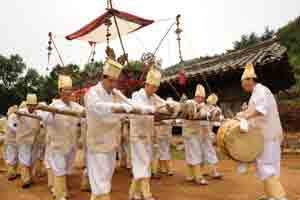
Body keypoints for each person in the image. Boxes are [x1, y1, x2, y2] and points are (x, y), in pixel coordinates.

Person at [236, 63, 287, 200]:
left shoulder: (260, 90)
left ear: (250, 80)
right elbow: (255, 110)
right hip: (266, 135)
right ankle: (271, 195)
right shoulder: (257, 92)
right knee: (268, 165)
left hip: (268, 136)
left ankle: (280, 197)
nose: (242, 86)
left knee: (266, 165)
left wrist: (245, 115)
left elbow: (261, 110)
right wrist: (245, 111)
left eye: (243, 82)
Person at [85, 59, 132, 200]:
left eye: (115, 81)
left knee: (105, 178)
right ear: (103, 78)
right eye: (111, 81)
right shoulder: (92, 93)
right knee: (100, 182)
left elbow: (131, 106)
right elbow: (98, 108)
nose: (113, 85)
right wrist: (120, 109)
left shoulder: (115, 94)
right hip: (97, 144)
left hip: (111, 144)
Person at [42, 75, 84, 200]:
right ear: (60, 91)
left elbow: (85, 114)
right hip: (58, 145)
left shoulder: (75, 106)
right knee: (59, 169)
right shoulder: (54, 105)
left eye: (70, 89)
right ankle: (60, 196)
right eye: (65, 89)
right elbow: (45, 120)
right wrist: (53, 113)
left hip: (71, 145)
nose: (68, 92)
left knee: (65, 170)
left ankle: (60, 191)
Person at [129, 67, 165, 200]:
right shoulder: (136, 95)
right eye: (152, 87)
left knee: (143, 164)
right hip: (137, 136)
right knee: (143, 163)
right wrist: (155, 109)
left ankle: (133, 193)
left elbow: (164, 104)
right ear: (147, 84)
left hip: (148, 135)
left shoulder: (154, 97)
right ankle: (146, 194)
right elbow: (140, 108)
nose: (154, 90)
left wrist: (174, 106)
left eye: (156, 87)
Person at [182, 84, 208, 185]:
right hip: (189, 133)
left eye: (202, 97)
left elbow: (205, 114)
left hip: (195, 133)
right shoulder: (190, 102)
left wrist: (200, 111)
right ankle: (198, 177)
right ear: (196, 96)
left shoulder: (202, 106)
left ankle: (190, 175)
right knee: (195, 154)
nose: (201, 99)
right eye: (199, 97)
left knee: (192, 154)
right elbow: (186, 107)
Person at [15, 94, 41, 188]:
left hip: (34, 140)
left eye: (34, 105)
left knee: (32, 160)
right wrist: (16, 112)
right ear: (27, 104)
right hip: (24, 140)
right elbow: (15, 114)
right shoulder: (21, 112)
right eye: (30, 105)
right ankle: (26, 180)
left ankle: (30, 178)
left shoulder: (38, 113)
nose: (32, 107)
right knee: (24, 160)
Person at [202, 93, 223, 179]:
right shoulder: (202, 107)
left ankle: (208, 171)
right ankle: (213, 172)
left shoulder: (215, 109)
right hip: (203, 133)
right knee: (207, 152)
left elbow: (218, 118)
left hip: (207, 133)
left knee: (207, 152)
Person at [4, 105, 19, 180]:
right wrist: (20, 131)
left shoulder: (15, 116)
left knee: (14, 157)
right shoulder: (12, 116)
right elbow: (13, 127)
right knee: (12, 157)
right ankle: (11, 173)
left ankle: (14, 173)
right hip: (11, 141)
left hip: (15, 140)